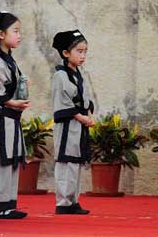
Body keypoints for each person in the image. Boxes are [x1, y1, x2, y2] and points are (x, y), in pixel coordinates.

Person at [0, 12, 29, 219]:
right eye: (15, 31)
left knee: (11, 159)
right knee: (2, 158)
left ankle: (8, 203)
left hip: (11, 118)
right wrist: (12, 102)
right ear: (0, 34)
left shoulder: (7, 59)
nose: (19, 35)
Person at [52, 30, 94, 215]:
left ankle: (73, 200)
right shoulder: (60, 76)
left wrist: (89, 113)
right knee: (66, 162)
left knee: (75, 163)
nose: (83, 55)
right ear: (65, 53)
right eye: (79, 51)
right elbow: (63, 103)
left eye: (85, 51)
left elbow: (86, 98)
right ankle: (63, 201)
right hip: (68, 126)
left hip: (79, 125)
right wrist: (81, 117)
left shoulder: (78, 74)